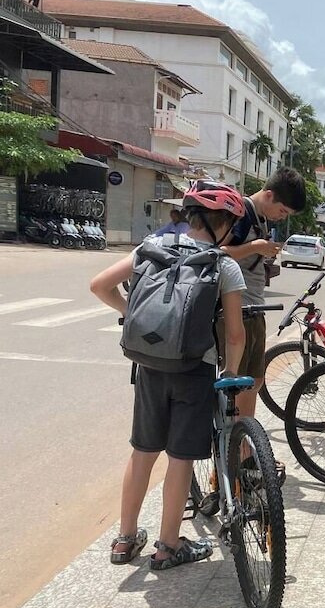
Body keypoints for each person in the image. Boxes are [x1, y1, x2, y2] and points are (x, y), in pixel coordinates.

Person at [89, 183, 248, 568]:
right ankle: (168, 544)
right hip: (194, 371)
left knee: (142, 452)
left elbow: (99, 285)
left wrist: (133, 316)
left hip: (149, 365)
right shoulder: (222, 264)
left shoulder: (149, 250)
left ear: (190, 216)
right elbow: (235, 335)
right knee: (180, 459)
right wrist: (229, 372)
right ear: (223, 223)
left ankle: (125, 540)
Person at [220, 166, 306, 422]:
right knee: (239, 384)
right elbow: (218, 252)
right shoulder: (241, 212)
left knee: (254, 382)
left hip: (254, 307)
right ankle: (235, 452)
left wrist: (262, 251)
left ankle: (245, 449)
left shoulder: (261, 218)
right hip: (237, 308)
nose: (281, 217)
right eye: (282, 211)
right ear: (268, 195)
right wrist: (255, 247)